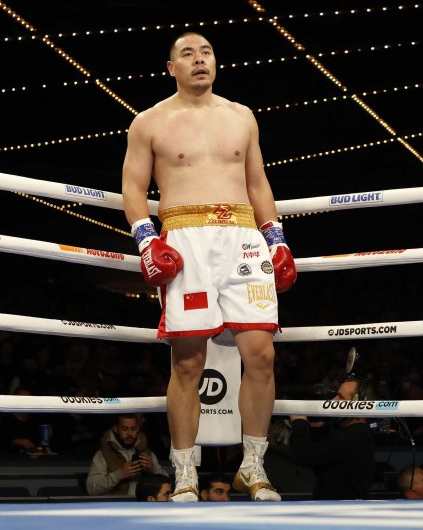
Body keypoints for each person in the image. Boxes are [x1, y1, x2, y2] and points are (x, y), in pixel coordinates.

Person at [121, 30, 297, 502]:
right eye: (188, 54)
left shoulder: (242, 116)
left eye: (206, 52)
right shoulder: (149, 122)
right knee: (188, 362)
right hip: (186, 238)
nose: (199, 59)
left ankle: (253, 466)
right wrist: (146, 240)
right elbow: (133, 188)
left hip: (242, 238)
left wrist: (276, 238)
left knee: (261, 354)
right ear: (171, 68)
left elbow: (257, 182)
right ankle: (184, 472)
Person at [288, 375, 375, 500]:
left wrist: (299, 422)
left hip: (342, 508)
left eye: (340, 397)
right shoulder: (355, 433)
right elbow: (324, 462)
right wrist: (317, 428)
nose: (333, 400)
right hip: (339, 505)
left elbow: (302, 456)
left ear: (357, 404)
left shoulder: (353, 436)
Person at [85, 414, 166, 496]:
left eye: (133, 429)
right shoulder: (103, 454)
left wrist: (153, 469)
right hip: (116, 503)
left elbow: (167, 484)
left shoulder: (146, 452)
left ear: (138, 429)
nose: (129, 433)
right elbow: (91, 489)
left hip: (143, 503)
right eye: (124, 429)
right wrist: (119, 474)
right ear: (116, 429)